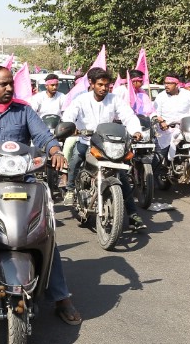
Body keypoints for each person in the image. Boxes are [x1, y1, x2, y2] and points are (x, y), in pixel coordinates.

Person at [0, 66, 81, 324]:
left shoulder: (24, 110)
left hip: (23, 178)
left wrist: (55, 150)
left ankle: (61, 296)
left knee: (42, 228)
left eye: (10, 83)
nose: (9, 88)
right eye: (3, 84)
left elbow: (43, 136)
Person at [61, 67, 147, 231]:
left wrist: (136, 131)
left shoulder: (115, 99)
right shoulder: (81, 100)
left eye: (107, 85)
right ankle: (71, 190)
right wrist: (70, 127)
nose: (103, 88)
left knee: (121, 176)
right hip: (87, 142)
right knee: (75, 160)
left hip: (108, 145)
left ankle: (132, 215)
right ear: (92, 84)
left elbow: (128, 116)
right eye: (100, 84)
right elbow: (69, 116)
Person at [152, 73, 190, 164]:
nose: (166, 85)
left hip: (183, 129)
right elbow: (155, 112)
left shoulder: (186, 94)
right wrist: (161, 121)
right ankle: (157, 176)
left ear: (177, 84)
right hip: (165, 131)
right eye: (165, 83)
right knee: (158, 159)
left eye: (169, 83)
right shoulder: (161, 96)